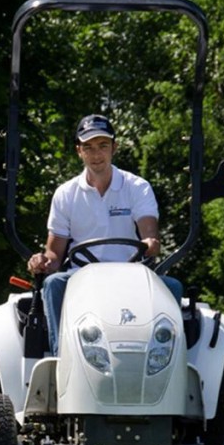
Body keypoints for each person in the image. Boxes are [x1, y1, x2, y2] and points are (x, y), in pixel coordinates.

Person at [26, 114, 183, 355]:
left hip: (131, 276)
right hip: (81, 277)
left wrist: (150, 243)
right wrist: (43, 260)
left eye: (102, 146)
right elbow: (54, 254)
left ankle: (165, 360)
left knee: (172, 287)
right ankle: (62, 358)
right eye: (88, 147)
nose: (96, 154)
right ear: (79, 151)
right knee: (53, 283)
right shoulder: (66, 194)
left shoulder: (136, 187)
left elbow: (149, 234)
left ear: (114, 148)